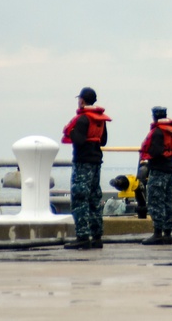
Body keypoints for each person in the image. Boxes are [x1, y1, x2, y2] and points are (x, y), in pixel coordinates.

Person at [61, 87, 111, 250]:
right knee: (94, 199)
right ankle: (97, 236)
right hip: (96, 162)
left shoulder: (82, 119)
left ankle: (82, 236)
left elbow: (79, 140)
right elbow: (103, 141)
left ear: (82, 100)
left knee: (80, 199)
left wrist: (71, 131)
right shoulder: (99, 119)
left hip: (83, 163)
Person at [138, 106, 172, 246]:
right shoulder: (171, 132)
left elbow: (155, 152)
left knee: (155, 201)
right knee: (167, 201)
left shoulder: (156, 132)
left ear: (154, 116)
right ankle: (167, 234)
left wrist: (147, 158)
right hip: (170, 169)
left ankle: (157, 234)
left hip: (158, 170)